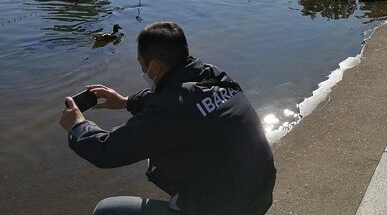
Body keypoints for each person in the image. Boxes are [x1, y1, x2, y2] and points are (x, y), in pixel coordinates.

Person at [59, 21, 276, 214]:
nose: (142, 69)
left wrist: (77, 127)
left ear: (154, 66)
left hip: (224, 207)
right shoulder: (214, 76)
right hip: (259, 196)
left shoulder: (170, 109)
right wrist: (126, 102)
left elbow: (106, 151)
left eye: (141, 63)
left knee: (107, 210)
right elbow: (173, 98)